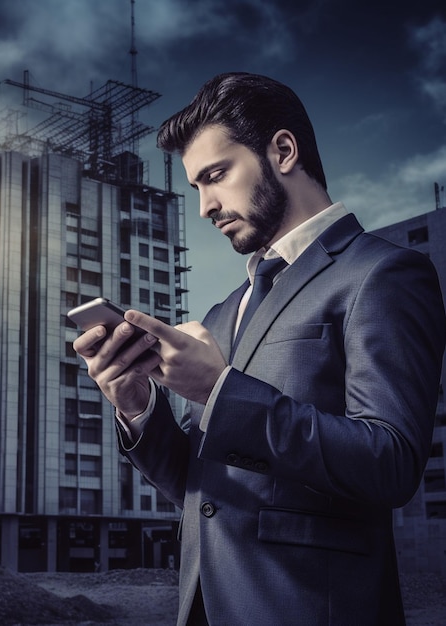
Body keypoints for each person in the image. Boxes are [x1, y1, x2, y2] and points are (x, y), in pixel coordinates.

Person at [73, 72, 446, 625]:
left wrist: (218, 390)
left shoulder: (385, 273)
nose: (204, 206)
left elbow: (390, 462)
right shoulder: (226, 311)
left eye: (216, 175)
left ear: (284, 150)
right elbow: (204, 492)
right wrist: (136, 406)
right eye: (196, 186)